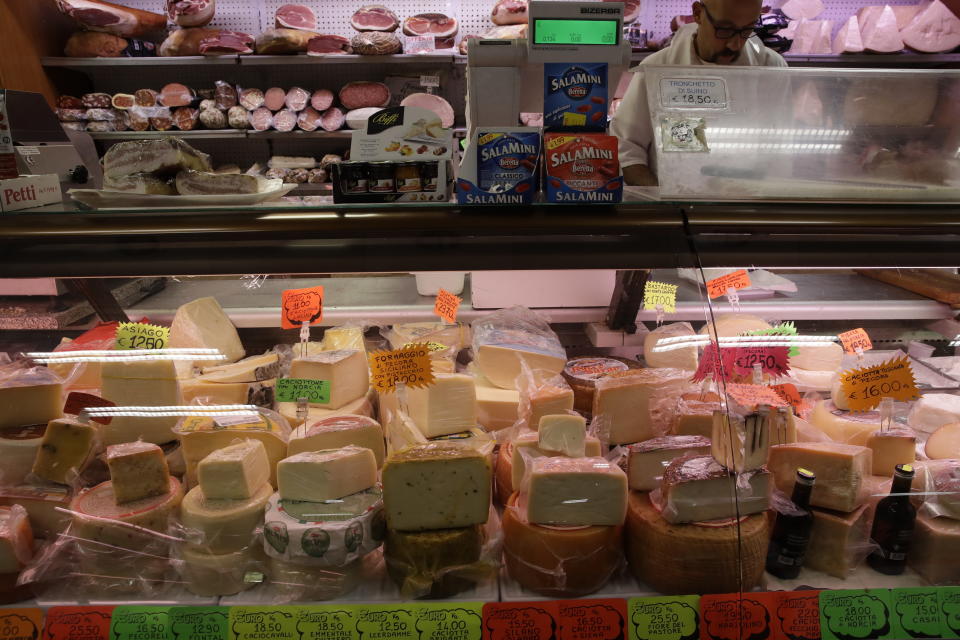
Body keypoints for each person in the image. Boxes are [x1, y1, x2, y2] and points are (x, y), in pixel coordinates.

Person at [611, 0, 788, 186]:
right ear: (698, 13)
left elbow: (782, 149)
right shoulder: (658, 68)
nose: (735, 45)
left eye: (746, 31)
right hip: (675, 205)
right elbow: (627, 148)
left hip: (748, 202)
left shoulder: (771, 68)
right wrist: (662, 201)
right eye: (724, 29)